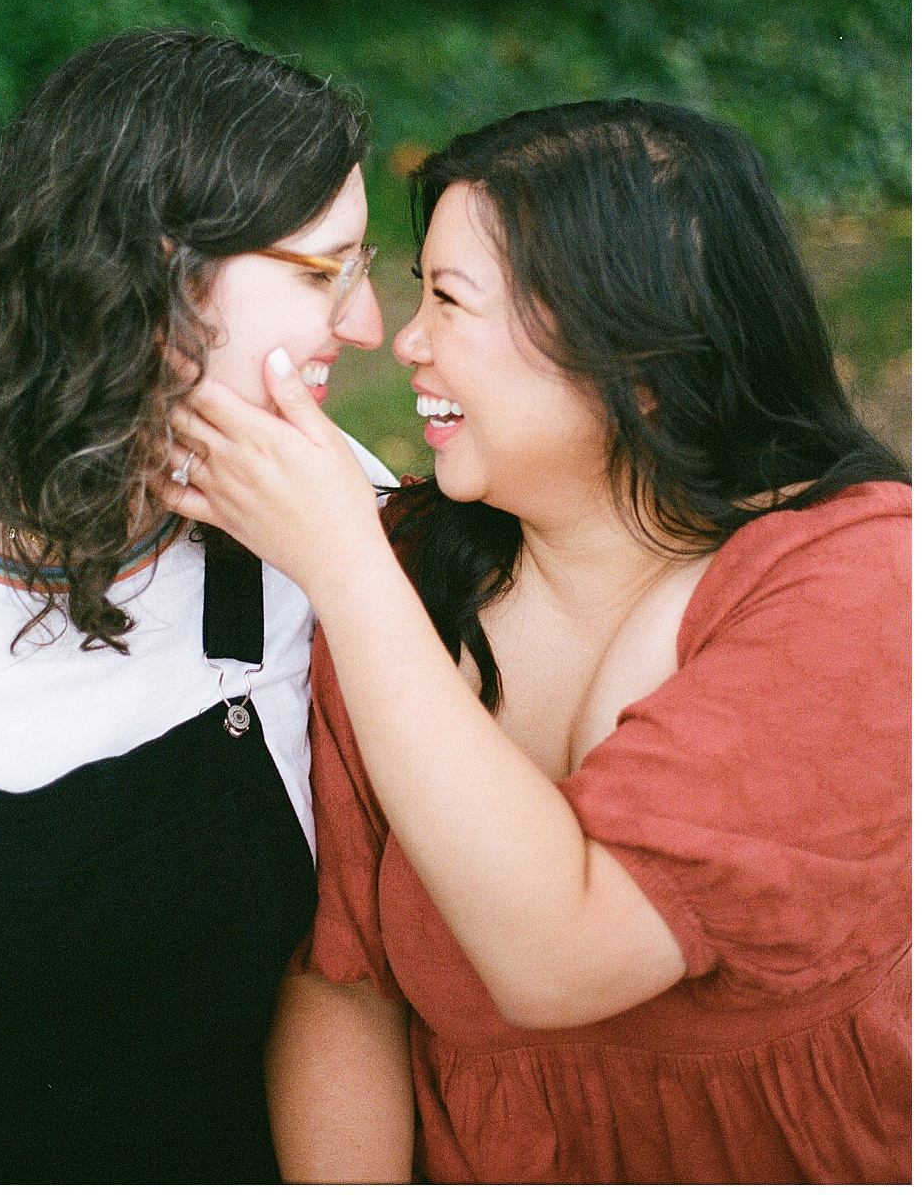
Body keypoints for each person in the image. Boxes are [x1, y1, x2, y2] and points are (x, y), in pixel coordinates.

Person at [163, 100, 910, 1182]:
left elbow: (562, 957)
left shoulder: (859, 579)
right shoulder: (408, 571)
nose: (403, 340)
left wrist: (343, 562)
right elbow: (346, 980)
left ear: (633, 348)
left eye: (450, 301)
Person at [0, 29, 396, 1181]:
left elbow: (362, 973)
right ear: (155, 272)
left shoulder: (342, 532)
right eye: (323, 272)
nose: (367, 326)